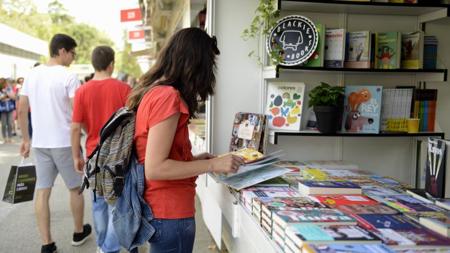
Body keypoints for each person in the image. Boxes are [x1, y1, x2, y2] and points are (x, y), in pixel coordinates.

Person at [126, 27, 244, 253]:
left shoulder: (156, 92)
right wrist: (212, 164)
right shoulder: (167, 97)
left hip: (163, 211)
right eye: (209, 63)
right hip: (169, 212)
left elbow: (159, 156)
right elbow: (156, 167)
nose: (211, 70)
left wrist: (196, 161)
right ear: (195, 62)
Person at [18, 33, 91, 253]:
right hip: (65, 143)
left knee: (42, 191)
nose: (73, 58)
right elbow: (75, 112)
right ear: (62, 51)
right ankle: (78, 232)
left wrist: (25, 139)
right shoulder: (68, 76)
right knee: (75, 189)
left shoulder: (32, 74)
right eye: (72, 53)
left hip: (40, 143)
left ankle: (47, 244)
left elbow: (21, 109)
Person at [71, 46, 131, 253]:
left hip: (93, 154)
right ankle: (109, 248)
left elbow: (76, 127)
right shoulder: (124, 89)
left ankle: (103, 245)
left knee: (98, 204)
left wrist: (76, 155)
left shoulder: (82, 91)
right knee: (116, 204)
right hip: (118, 155)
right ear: (111, 64)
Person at [0, 77, 16, 143]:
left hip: (10, 108)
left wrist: (7, 94)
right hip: (2, 109)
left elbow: (14, 97)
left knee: (10, 123)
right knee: (3, 124)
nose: (4, 83)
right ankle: (4, 138)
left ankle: (10, 138)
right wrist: (5, 96)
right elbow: (1, 98)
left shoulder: (9, 89)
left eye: (4, 82)